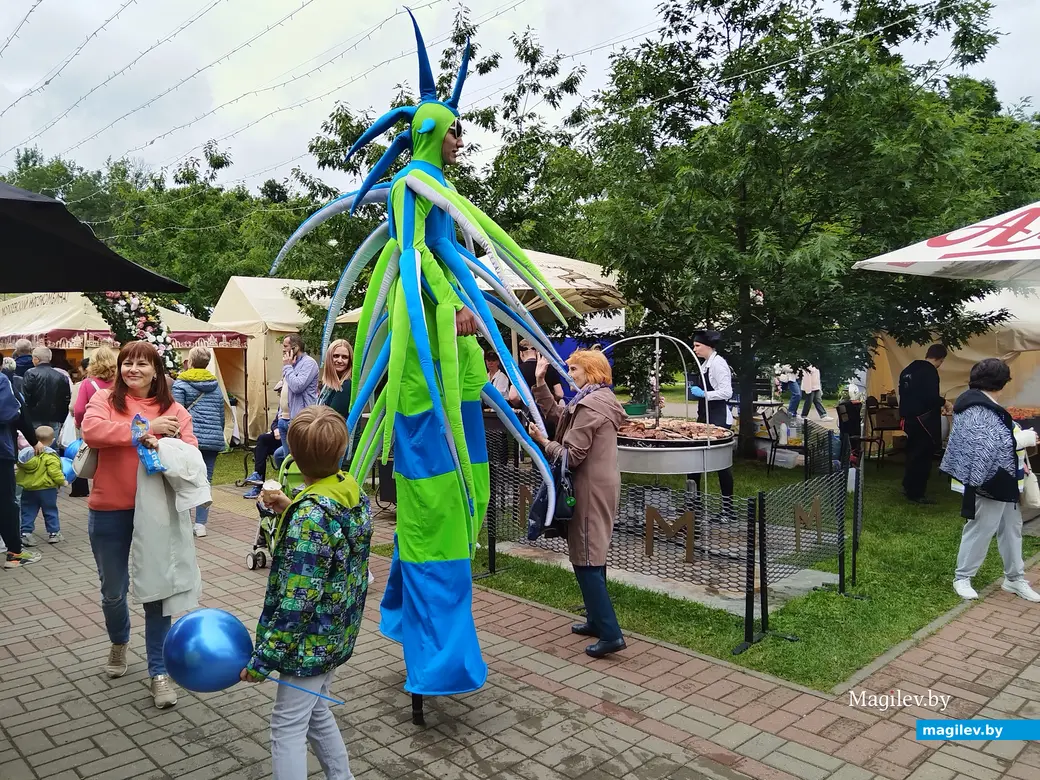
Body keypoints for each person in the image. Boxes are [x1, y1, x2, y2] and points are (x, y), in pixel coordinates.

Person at [241, 406, 372, 780]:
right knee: (315, 711)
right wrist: (290, 507)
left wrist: (263, 659)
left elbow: (297, 603)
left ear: (294, 458)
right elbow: (332, 548)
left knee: (286, 727)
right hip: (336, 634)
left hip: (308, 643)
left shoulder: (310, 516)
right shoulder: (350, 492)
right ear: (342, 451)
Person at [82, 341, 197, 709]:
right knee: (112, 590)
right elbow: (93, 433)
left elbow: (192, 458)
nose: (133, 369)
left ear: (156, 370)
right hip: (109, 508)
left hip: (158, 513)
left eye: (142, 364)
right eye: (127, 362)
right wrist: (143, 428)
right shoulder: (104, 400)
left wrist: (170, 442)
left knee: (157, 591)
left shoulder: (175, 410)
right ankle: (119, 641)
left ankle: (159, 672)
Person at [527, 349, 627, 658]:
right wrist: (540, 383)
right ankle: (596, 621)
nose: (570, 375)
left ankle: (611, 633)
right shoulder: (598, 399)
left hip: (589, 487)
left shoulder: (590, 405)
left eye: (575, 370)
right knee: (591, 553)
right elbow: (563, 419)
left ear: (592, 372)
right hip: (599, 484)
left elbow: (572, 454)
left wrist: (544, 444)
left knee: (586, 556)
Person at [942, 359, 1040, 602]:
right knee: (981, 528)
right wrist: (1023, 439)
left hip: (1003, 478)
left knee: (1012, 528)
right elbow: (987, 445)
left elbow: (992, 439)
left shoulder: (976, 402)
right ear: (1002, 382)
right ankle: (962, 577)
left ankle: (1014, 578)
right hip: (989, 480)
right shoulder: (977, 407)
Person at [173, 346, 226, 538]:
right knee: (205, 480)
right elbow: (221, 414)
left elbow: (176, 413)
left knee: (185, 478)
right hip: (212, 439)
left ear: (190, 361)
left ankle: (185, 521)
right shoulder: (215, 384)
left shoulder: (181, 384)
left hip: (188, 438)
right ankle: (201, 524)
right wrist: (218, 433)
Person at [687, 331, 734, 516]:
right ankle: (693, 505)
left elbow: (727, 392)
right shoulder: (706, 364)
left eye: (697, 346)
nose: (694, 349)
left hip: (719, 419)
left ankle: (728, 509)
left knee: (721, 465)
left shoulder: (718, 364)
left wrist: (705, 394)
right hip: (704, 417)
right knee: (694, 462)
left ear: (708, 346)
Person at [1, 370, 42, 568]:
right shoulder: (3, 381)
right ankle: (15, 554)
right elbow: (14, 413)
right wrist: (34, 440)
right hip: (1, 452)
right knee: (6, 503)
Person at [899, 344, 948, 504]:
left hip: (908, 418)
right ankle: (917, 492)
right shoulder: (929, 372)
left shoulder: (908, 370)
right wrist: (945, 402)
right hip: (923, 421)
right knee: (923, 456)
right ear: (941, 359)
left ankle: (908, 485)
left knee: (912, 453)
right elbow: (930, 397)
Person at [17, 425, 66, 546]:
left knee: (28, 510)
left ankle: (25, 533)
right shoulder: (50, 455)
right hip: (47, 488)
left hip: (28, 488)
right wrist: (62, 481)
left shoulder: (25, 454)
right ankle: (54, 533)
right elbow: (54, 472)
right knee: (50, 510)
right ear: (52, 440)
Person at [23, 346, 72, 435]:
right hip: (55, 417)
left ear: (36, 359)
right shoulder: (61, 376)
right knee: (52, 444)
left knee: (36, 445)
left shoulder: (30, 373)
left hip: (34, 417)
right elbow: (66, 399)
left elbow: (26, 397)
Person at [281, 335, 319, 445]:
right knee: (282, 457)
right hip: (287, 419)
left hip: (303, 419)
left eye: (285, 346)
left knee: (297, 457)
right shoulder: (291, 364)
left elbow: (297, 387)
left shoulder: (309, 363)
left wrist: (288, 367)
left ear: (296, 347)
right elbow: (285, 389)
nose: (283, 350)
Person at [243, 419, 283, 500]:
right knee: (263, 439)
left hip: (292, 437)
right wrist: (276, 429)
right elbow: (275, 422)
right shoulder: (282, 407)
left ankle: (283, 483)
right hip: (280, 437)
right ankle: (258, 477)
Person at [318, 339, 353, 419]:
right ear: (329, 358)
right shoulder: (328, 385)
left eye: (344, 357)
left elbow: (332, 420)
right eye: (336, 356)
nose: (340, 360)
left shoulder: (346, 385)